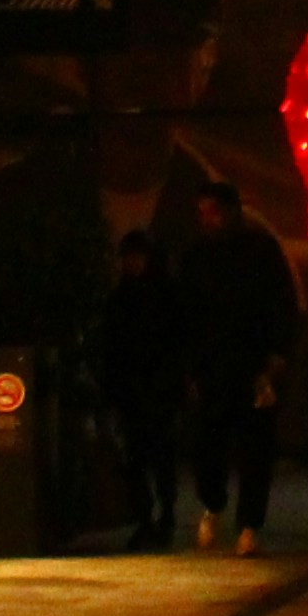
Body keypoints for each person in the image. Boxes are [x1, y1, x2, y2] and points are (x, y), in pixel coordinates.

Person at [173, 175, 302, 555]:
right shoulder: (196, 256)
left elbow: (282, 304)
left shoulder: (261, 251)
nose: (207, 219)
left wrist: (277, 356)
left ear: (231, 211)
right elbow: (185, 314)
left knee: (255, 450)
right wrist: (190, 367)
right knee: (207, 445)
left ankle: (249, 525)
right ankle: (213, 503)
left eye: (213, 212)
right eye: (202, 213)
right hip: (211, 365)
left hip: (253, 364)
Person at [90, 227, 184, 552]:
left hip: (158, 390)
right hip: (132, 391)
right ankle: (146, 518)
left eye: (136, 257)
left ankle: (165, 515)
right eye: (127, 257)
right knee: (137, 460)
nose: (131, 264)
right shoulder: (120, 298)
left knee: (160, 457)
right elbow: (110, 346)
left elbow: (176, 344)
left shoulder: (164, 296)